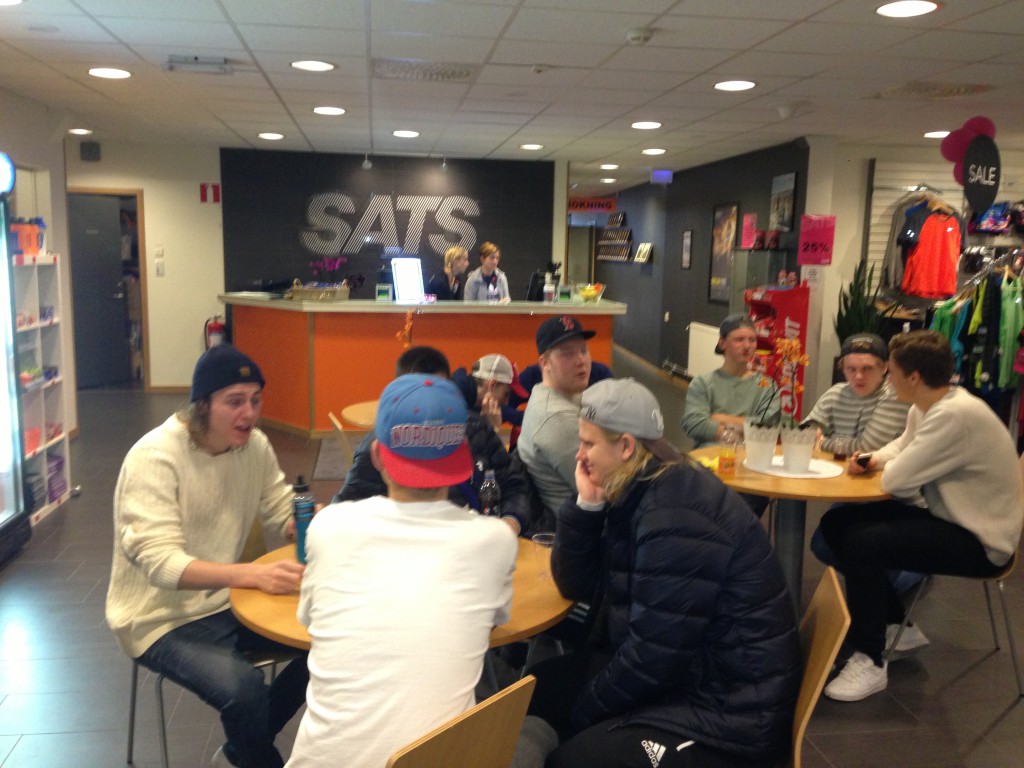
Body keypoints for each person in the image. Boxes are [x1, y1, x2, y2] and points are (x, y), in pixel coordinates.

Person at [527, 378, 800, 768]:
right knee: (537, 691)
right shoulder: (637, 485)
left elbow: (653, 659)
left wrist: (584, 716)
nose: (579, 455)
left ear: (625, 446)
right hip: (689, 674)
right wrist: (586, 506)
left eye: (588, 444)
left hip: (729, 715)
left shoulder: (675, 516)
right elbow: (576, 584)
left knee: (570, 760)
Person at [286, 374, 518, 767]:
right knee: (535, 733)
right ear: (462, 459)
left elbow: (309, 622)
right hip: (438, 760)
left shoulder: (327, 527)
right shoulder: (496, 541)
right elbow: (493, 623)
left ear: (378, 456)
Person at [105, 345, 308, 768]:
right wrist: (251, 576)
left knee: (329, 644)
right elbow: (162, 565)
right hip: (158, 618)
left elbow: (279, 507)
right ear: (202, 405)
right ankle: (256, 754)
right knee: (243, 689)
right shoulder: (155, 457)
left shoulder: (253, 446)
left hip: (226, 603)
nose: (249, 414)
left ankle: (242, 750)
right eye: (234, 401)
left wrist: (305, 521)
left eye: (255, 400)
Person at [821, 330, 1024, 702]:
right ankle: (894, 623)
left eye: (892, 371)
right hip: (952, 517)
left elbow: (897, 480)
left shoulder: (954, 416)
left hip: (982, 542)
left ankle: (870, 660)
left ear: (913, 377)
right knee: (837, 523)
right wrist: (872, 459)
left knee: (863, 543)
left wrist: (883, 465)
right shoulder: (930, 405)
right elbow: (903, 446)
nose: (888, 379)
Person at [334, 347, 533, 536]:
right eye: (416, 394)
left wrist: (511, 523)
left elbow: (515, 486)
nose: (428, 404)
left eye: (438, 392)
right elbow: (347, 505)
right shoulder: (381, 445)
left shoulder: (477, 429)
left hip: (473, 539)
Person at [516, 315, 595, 523]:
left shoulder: (557, 393)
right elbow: (608, 486)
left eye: (583, 350)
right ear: (544, 363)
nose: (581, 360)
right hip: (586, 528)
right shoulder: (555, 416)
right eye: (568, 354)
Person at [681, 313, 780, 448]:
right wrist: (742, 431)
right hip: (710, 456)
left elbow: (768, 427)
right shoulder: (702, 383)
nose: (747, 346)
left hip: (751, 457)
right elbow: (694, 424)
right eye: (739, 339)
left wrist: (720, 419)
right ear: (722, 343)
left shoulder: (767, 386)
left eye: (752, 340)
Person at [450, 352, 528, 432]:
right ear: (492, 385)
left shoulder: (475, 405)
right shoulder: (454, 405)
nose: (506, 403)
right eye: (506, 394)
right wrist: (494, 428)